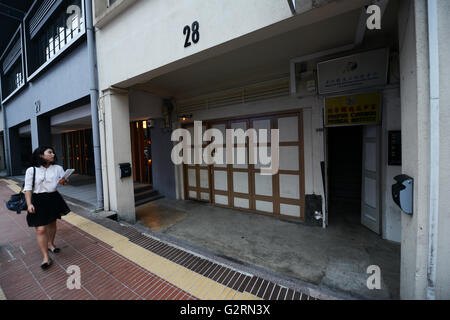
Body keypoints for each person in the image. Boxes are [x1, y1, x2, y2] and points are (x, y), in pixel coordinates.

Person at [24, 146, 71, 270]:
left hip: (53, 198)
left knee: (52, 223)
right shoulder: (31, 170)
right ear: (41, 155)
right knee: (40, 229)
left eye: (53, 152)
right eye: (49, 152)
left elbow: (64, 182)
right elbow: (27, 188)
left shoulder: (58, 168)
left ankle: (51, 244)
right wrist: (29, 204)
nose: (53, 154)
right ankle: (45, 257)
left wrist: (63, 182)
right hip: (38, 200)